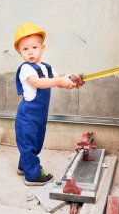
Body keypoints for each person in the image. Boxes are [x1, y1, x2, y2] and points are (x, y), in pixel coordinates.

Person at [13, 22, 82, 186]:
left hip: (40, 114)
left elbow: (58, 81)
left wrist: (70, 81)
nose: (30, 52)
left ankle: (24, 165)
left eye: (34, 47)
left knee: (36, 142)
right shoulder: (26, 69)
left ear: (42, 48)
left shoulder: (47, 67)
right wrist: (58, 80)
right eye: (25, 49)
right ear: (19, 52)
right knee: (28, 142)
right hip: (27, 114)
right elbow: (38, 83)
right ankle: (32, 175)